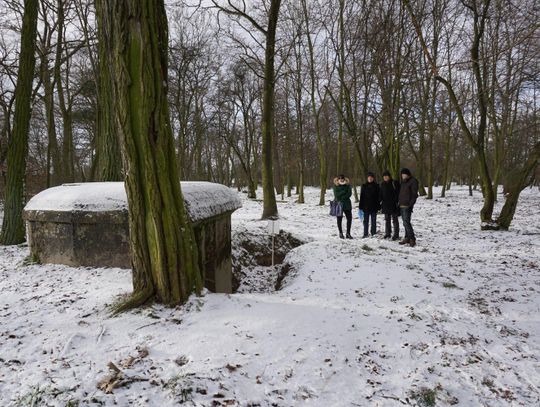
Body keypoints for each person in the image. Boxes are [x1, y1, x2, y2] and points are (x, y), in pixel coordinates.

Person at [398, 168, 419, 247]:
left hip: (407, 206)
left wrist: (411, 204)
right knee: (404, 222)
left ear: (408, 174)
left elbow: (414, 194)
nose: (403, 175)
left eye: (404, 174)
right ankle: (407, 237)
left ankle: (412, 238)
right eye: (402, 174)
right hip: (402, 205)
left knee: (406, 222)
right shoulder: (403, 182)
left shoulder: (413, 181)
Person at [379, 170, 400, 240]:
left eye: (386, 176)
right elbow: (380, 194)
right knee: (387, 220)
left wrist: (397, 202)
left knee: (395, 220)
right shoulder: (382, 184)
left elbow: (398, 193)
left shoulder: (394, 183)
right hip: (385, 205)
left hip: (393, 204)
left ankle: (396, 234)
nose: (385, 177)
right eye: (384, 176)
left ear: (389, 176)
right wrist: (380, 201)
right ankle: (388, 233)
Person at [359, 172, 380, 238]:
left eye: (371, 177)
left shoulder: (377, 186)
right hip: (366, 206)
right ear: (367, 178)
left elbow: (378, 197)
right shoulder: (364, 186)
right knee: (366, 221)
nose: (370, 178)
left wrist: (378, 206)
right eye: (369, 177)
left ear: (373, 178)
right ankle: (365, 233)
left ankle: (373, 233)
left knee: (373, 221)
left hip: (374, 206)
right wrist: (360, 206)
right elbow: (361, 196)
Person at [333, 175, 353, 239]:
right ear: (338, 179)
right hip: (338, 204)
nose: (341, 180)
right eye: (340, 178)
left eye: (342, 178)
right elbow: (337, 195)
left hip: (347, 204)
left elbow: (349, 194)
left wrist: (342, 196)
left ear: (344, 179)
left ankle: (348, 233)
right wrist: (344, 192)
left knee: (349, 219)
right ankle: (340, 233)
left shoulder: (348, 185)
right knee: (339, 219)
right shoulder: (335, 186)